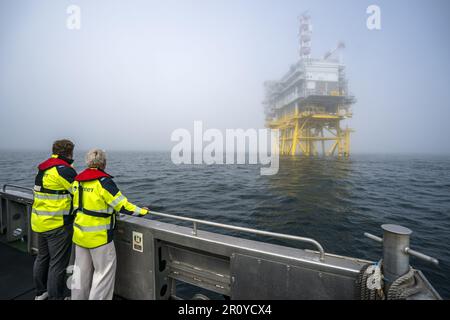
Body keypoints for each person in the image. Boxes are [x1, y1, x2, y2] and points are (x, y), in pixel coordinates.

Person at [71, 149, 150, 300]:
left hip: (79, 235)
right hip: (100, 238)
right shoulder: (103, 182)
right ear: (104, 163)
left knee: (80, 274)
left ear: (88, 162)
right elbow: (123, 205)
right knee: (103, 275)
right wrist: (143, 212)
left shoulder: (77, 180)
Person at [32, 139, 77, 300]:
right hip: (57, 224)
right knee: (57, 265)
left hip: (39, 222)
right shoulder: (64, 170)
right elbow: (79, 193)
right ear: (69, 152)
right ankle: (56, 297)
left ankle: (40, 292)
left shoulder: (43, 168)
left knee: (42, 258)